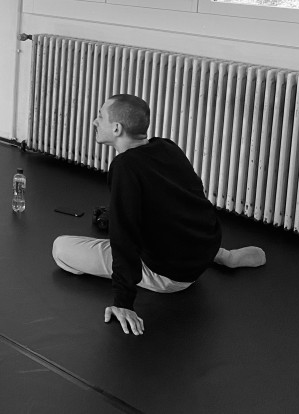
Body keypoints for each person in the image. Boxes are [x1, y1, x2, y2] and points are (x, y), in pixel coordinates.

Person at [52, 94, 266, 336]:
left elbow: (123, 238)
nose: (94, 121)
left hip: (170, 276)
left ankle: (185, 266)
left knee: (60, 248)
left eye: (100, 116)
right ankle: (224, 256)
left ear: (117, 128)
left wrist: (123, 302)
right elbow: (191, 198)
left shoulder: (124, 167)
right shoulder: (166, 146)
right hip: (201, 252)